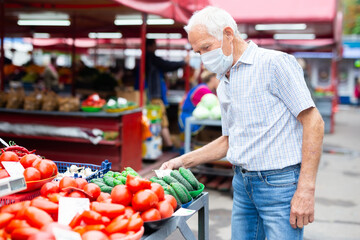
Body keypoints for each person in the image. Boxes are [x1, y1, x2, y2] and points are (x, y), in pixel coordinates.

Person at [160, 6, 324, 240]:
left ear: (229, 34)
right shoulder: (224, 80)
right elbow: (229, 140)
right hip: (242, 184)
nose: (203, 57)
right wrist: (182, 161)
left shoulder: (275, 64)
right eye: (198, 52)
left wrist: (306, 189)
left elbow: (314, 122)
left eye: (206, 47)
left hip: (280, 185)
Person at [145, 38, 189, 150]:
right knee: (161, 120)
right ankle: (169, 145)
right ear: (150, 46)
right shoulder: (151, 58)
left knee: (157, 120)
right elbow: (167, 65)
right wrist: (183, 62)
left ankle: (163, 144)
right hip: (154, 96)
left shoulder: (147, 59)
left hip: (151, 94)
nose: (156, 47)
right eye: (155, 45)